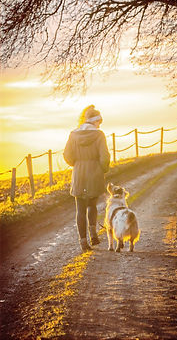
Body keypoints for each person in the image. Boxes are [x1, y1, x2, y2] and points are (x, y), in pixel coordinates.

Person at [63, 105, 110, 252]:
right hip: (94, 173)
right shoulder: (99, 134)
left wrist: (76, 164)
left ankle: (83, 242)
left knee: (80, 209)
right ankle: (93, 234)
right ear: (96, 121)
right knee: (92, 205)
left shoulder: (73, 134)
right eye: (99, 122)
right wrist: (103, 169)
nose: (99, 125)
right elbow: (105, 157)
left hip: (78, 173)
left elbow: (67, 155)